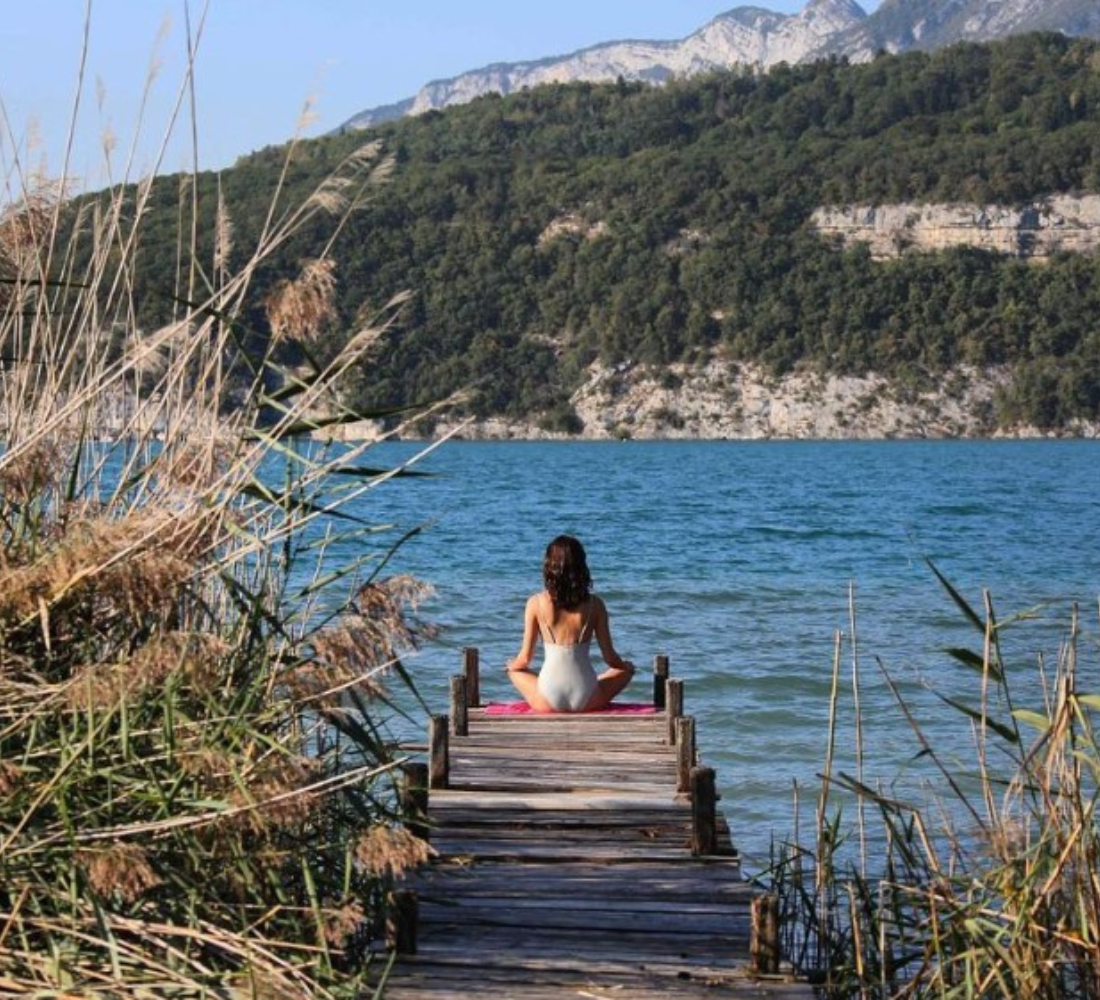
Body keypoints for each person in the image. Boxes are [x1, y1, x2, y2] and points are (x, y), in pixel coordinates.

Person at [505, 535, 635, 713]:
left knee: (514, 671)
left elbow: (524, 659)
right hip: (587, 697)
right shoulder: (595, 605)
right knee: (626, 671)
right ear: (581, 567)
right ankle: (598, 679)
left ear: (549, 567)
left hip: (547, 699)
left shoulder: (535, 603)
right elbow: (610, 658)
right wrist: (626, 667)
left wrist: (510, 665)